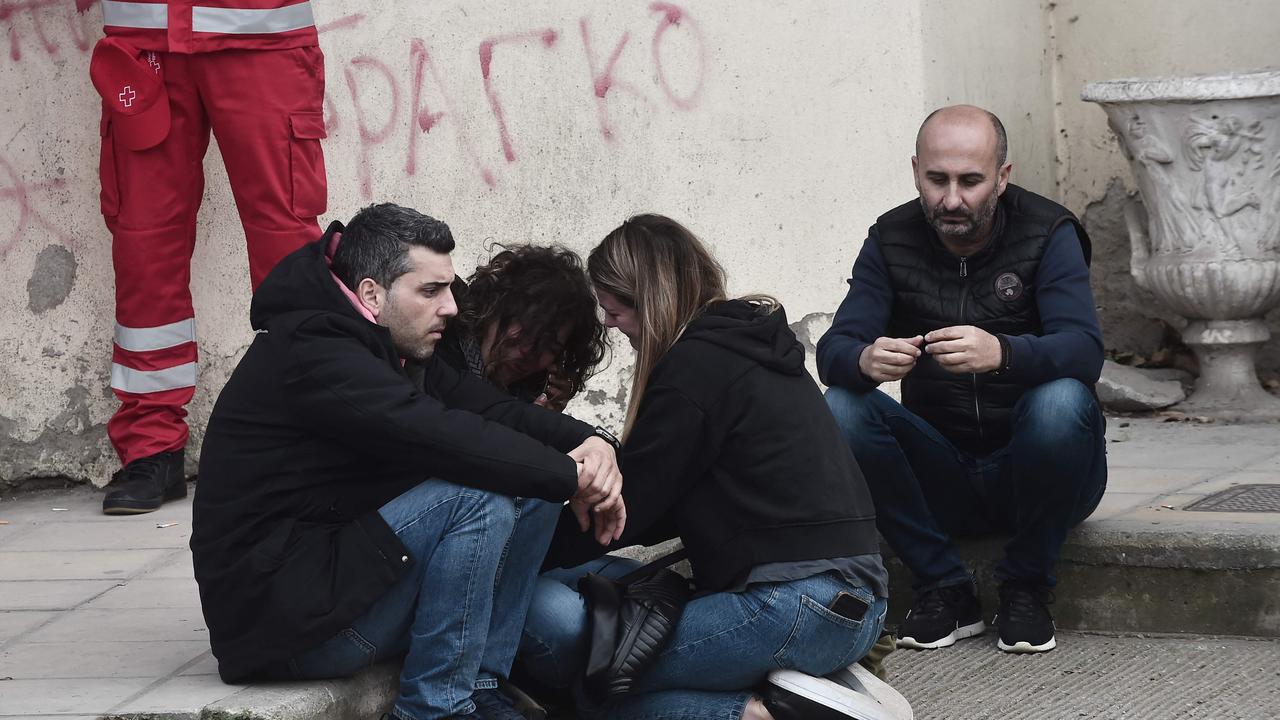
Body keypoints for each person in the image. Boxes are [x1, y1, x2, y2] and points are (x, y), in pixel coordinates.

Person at [190, 203, 626, 720]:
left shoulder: (382, 341)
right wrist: (567, 478)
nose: (451, 307)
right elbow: (439, 435)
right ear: (372, 293)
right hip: (285, 630)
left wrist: (589, 443)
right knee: (476, 495)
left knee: (527, 481)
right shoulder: (316, 354)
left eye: (447, 288)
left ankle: (484, 686)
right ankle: (434, 709)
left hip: (336, 584)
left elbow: (486, 408)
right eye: (430, 291)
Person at [519, 214, 908, 720]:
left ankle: (766, 715)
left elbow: (629, 510)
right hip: (859, 606)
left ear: (646, 296)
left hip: (789, 605)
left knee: (595, 690)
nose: (610, 322)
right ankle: (810, 695)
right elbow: (667, 502)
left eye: (614, 306)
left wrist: (521, 553)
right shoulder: (745, 347)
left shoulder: (692, 370)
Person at [817, 105, 1107, 654]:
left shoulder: (1049, 231)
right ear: (915, 171)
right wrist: (865, 359)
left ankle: (1026, 586)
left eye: (971, 181)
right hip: (942, 472)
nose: (952, 199)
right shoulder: (891, 238)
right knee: (843, 405)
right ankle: (942, 585)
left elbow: (1085, 351)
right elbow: (834, 348)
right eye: (937, 180)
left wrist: (1003, 353)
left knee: (1062, 400)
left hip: (1041, 473)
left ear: (1002, 176)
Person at [91, 0, 328, 514]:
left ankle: (302, 435)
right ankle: (152, 447)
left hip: (261, 40)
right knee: (143, 244)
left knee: (285, 242)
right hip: (143, 45)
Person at [430, 244, 608, 410]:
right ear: (492, 307)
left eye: (549, 346)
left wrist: (539, 424)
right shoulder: (434, 353)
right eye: (526, 330)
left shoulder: (528, 393)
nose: (528, 351)